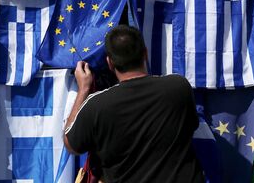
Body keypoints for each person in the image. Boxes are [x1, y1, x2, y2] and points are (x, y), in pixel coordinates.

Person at [64, 25, 204, 183]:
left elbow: (71, 144)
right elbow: (192, 125)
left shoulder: (96, 105)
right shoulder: (178, 87)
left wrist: (84, 89)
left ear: (109, 63)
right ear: (145, 54)